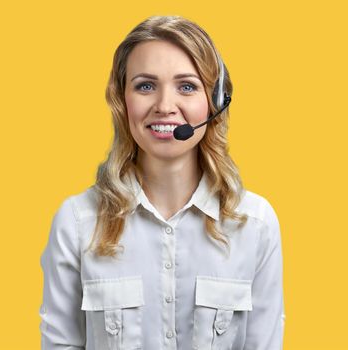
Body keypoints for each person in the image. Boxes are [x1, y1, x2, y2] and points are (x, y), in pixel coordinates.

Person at [39, 15, 286, 350]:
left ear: (215, 102)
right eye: (145, 86)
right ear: (121, 101)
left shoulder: (255, 224)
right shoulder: (77, 222)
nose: (165, 106)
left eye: (187, 86)